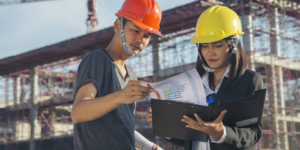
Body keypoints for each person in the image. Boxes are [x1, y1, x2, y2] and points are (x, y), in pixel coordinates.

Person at [147, 5, 264, 150]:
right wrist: (166, 128)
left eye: (217, 45)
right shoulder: (192, 84)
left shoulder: (249, 81)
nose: (210, 52)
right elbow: (191, 139)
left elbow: (253, 134)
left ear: (233, 45)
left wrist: (221, 133)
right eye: (204, 45)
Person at [71, 0, 163, 149]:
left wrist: (148, 146)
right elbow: (78, 112)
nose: (140, 40)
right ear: (118, 26)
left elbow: (122, 128)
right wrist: (120, 96)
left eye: (146, 35)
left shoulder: (131, 76)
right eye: (136, 30)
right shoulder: (98, 59)